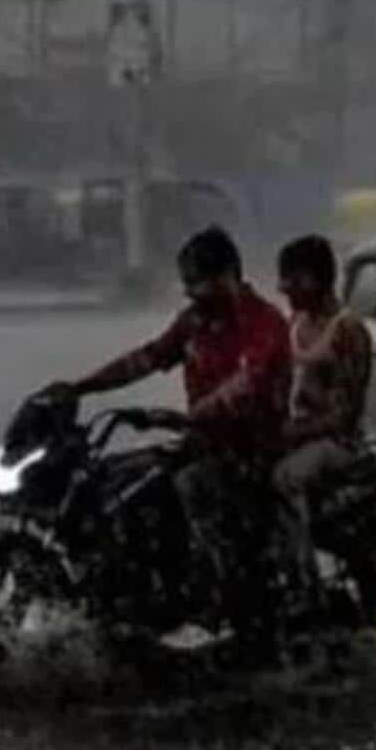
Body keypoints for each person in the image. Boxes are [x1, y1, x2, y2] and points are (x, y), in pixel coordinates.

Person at [41, 225, 290, 619]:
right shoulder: (194, 322)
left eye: (200, 283)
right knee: (114, 479)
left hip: (252, 451)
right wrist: (82, 387)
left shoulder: (264, 322)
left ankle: (230, 589)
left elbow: (248, 382)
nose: (192, 293)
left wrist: (192, 416)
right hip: (200, 443)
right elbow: (147, 358)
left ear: (229, 275)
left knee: (192, 486)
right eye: (188, 284)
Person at [271, 235, 374, 589]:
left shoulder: (348, 330)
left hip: (336, 443)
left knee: (285, 479)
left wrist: (290, 432)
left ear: (318, 278)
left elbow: (344, 414)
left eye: (293, 279)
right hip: (294, 434)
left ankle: (302, 581)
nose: (285, 288)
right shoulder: (294, 323)